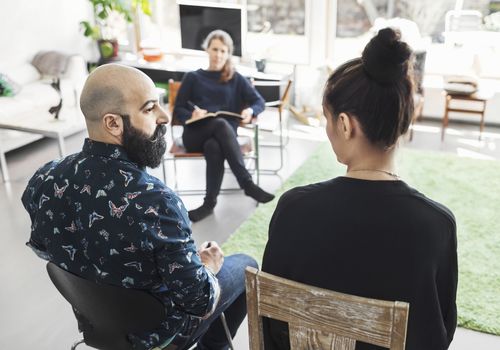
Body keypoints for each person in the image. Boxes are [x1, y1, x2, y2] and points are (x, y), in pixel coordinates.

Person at [22, 64, 257, 350]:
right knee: (246, 264)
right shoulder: (158, 202)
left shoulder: (44, 178)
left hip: (96, 325)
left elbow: (44, 248)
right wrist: (206, 265)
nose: (165, 117)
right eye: (149, 109)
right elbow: (200, 302)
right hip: (158, 334)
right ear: (113, 123)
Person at [262, 28, 457, 350]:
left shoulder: (293, 208)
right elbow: (437, 336)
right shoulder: (436, 226)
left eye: (326, 119)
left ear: (344, 124)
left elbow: (272, 324)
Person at [173, 29, 274, 222]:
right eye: (215, 49)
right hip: (194, 135)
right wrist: (192, 114)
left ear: (228, 54)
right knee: (219, 123)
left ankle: (208, 204)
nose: (218, 54)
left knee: (214, 146)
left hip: (223, 140)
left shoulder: (235, 78)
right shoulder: (193, 77)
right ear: (207, 50)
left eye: (223, 51)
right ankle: (247, 184)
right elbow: (178, 110)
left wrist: (249, 111)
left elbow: (259, 102)